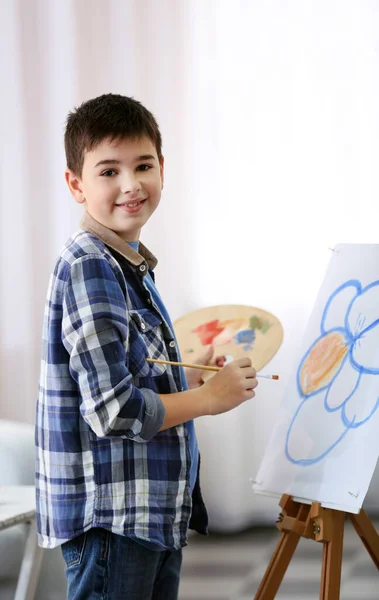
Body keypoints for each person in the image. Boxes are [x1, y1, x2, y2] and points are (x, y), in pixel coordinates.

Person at [35, 93, 258, 600]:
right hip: (113, 518)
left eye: (143, 165)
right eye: (108, 171)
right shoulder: (90, 264)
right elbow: (112, 410)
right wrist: (208, 400)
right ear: (76, 184)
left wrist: (192, 380)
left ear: (163, 168)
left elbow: (131, 373)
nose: (131, 184)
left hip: (145, 512)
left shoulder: (127, 261)